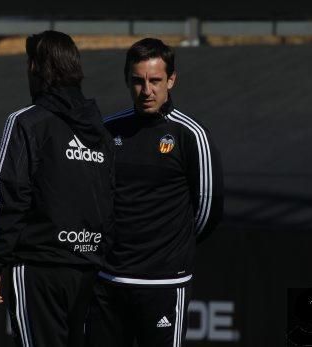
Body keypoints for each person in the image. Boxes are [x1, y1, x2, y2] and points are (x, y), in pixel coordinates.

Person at [0, 31, 114, 347]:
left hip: (38, 267)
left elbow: (11, 193)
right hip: (89, 268)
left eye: (30, 62)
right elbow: (110, 202)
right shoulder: (101, 132)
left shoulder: (26, 122)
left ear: (38, 69)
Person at [86, 38, 224, 347]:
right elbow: (91, 198)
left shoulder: (190, 135)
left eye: (155, 80)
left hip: (164, 284)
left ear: (171, 80)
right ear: (127, 80)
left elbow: (209, 210)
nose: (146, 90)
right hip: (109, 282)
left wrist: (171, 247)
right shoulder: (108, 131)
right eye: (138, 81)